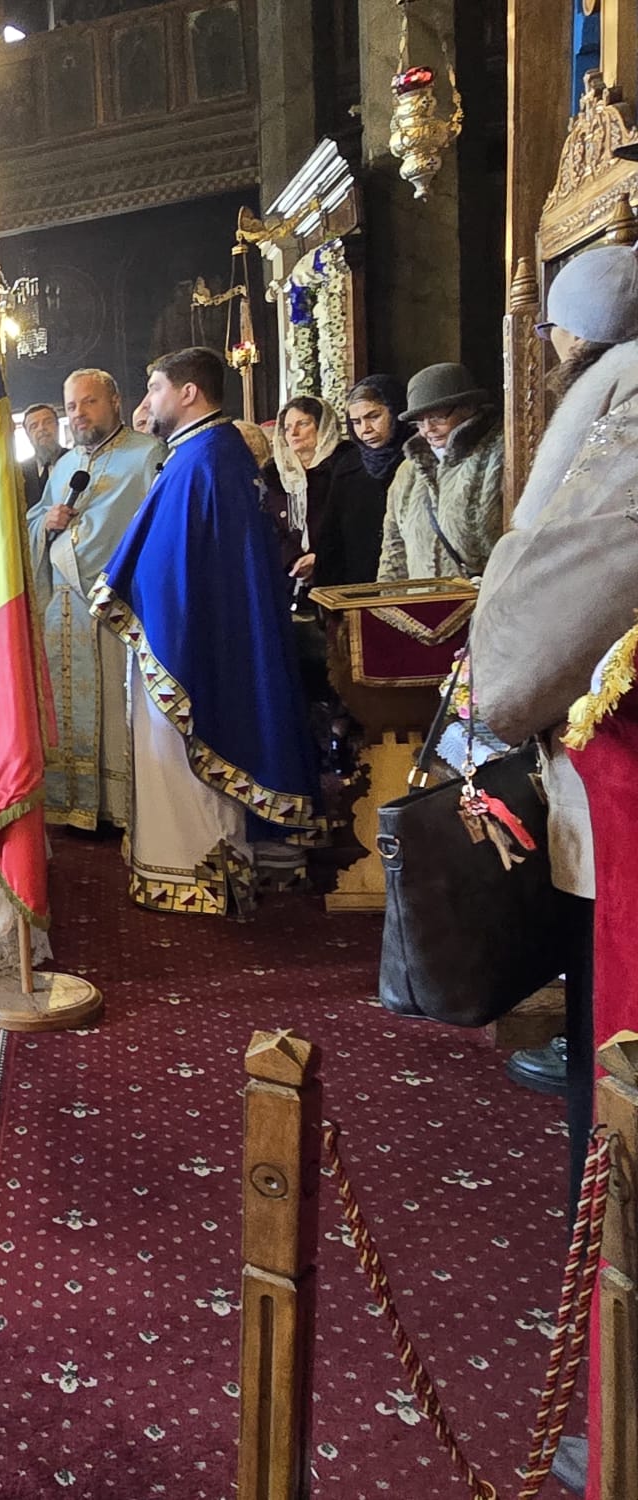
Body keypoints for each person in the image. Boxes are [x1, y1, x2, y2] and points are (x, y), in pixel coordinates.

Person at [465, 243, 638, 1493]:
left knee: (613, 1084)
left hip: (623, 809)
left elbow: (536, 631)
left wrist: (489, 694)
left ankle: (622, 1411)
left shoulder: (617, 397)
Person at [90, 348, 320, 915]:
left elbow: (174, 565)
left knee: (186, 757)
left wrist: (124, 593)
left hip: (189, 638)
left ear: (188, 392)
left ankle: (199, 878)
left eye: (156, 388)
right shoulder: (205, 453)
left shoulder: (205, 458)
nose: (148, 402)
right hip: (188, 630)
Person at [27, 369, 165, 833]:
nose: (79, 414)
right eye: (71, 406)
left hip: (115, 604)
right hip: (64, 607)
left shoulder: (147, 454)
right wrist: (46, 522)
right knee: (66, 708)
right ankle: (73, 803)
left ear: (115, 401)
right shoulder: (65, 466)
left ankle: (118, 807)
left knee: (114, 707)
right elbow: (34, 522)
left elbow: (159, 529)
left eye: (89, 402)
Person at [377, 362, 505, 581]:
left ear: (468, 409)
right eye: (419, 422)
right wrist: (388, 599)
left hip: (481, 600)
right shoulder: (408, 471)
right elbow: (394, 548)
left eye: (437, 417)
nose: (428, 429)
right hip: (420, 601)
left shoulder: (500, 458)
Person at [266, 395, 386, 597]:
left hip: (342, 576)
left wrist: (320, 559)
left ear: (322, 426)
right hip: (290, 578)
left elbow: (357, 525)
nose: (293, 433)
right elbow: (269, 524)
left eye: (303, 424)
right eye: (287, 428)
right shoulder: (273, 473)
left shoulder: (349, 464)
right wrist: (293, 558)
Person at [20, 402, 65, 511]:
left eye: (48, 422)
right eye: (34, 426)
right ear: (28, 435)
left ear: (57, 426)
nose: (41, 428)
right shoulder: (20, 473)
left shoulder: (78, 460)